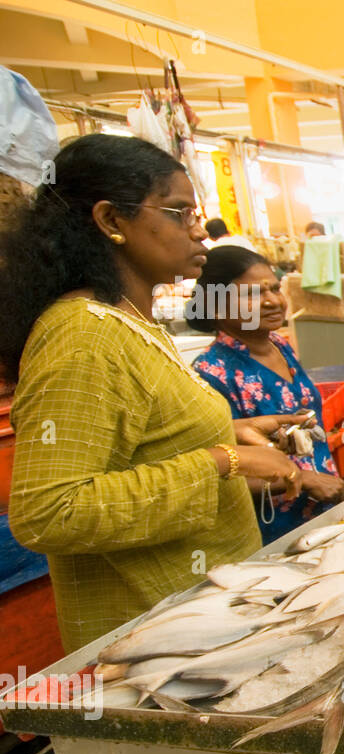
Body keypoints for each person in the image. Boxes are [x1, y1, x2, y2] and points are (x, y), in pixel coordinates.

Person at [0, 134, 304, 651]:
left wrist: (232, 433)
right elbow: (50, 511)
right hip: (155, 641)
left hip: (210, 615)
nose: (199, 233)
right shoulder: (83, 336)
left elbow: (136, 438)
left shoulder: (127, 321)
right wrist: (226, 461)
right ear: (111, 221)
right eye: (180, 213)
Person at [189, 246, 344, 544]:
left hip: (324, 512)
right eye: (252, 294)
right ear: (214, 304)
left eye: (275, 289)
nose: (272, 301)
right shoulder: (211, 373)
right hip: (273, 529)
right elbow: (222, 473)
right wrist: (302, 480)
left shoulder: (280, 344)